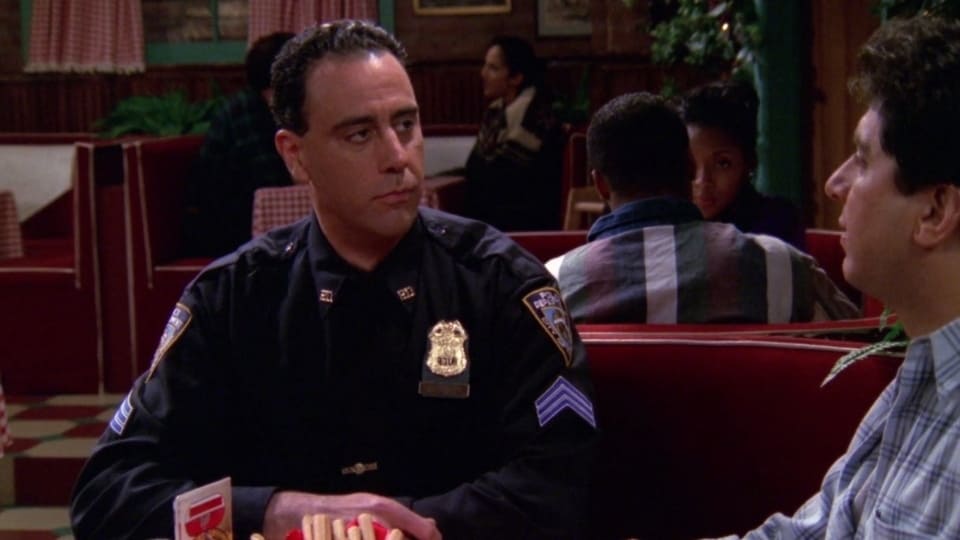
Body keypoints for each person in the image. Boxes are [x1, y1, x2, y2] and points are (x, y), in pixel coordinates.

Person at [70, 20, 597, 540]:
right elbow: (108, 492)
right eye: (360, 134)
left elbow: (563, 481)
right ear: (295, 156)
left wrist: (394, 527)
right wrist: (272, 511)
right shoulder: (232, 298)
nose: (398, 157)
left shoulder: (501, 284)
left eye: (406, 124)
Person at [716, 15, 960, 538]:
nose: (834, 183)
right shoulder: (923, 375)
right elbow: (812, 530)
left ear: (935, 211)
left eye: (862, 159)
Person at [545, 92, 858, 324]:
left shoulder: (552, 288)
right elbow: (857, 350)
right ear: (689, 166)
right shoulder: (782, 267)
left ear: (600, 184)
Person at [183, 31, 296, 257]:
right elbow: (269, 182)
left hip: (247, 219)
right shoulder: (244, 113)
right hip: (223, 227)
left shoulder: (279, 109)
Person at [681, 81, 807, 249]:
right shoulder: (669, 222)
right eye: (689, 162)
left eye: (722, 163)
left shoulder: (776, 222)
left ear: (750, 161)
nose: (702, 180)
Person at [462, 36, 564, 231]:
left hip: (527, 217)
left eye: (493, 68)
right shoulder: (495, 111)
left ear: (516, 78)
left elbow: (506, 174)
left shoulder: (537, 114)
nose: (483, 74)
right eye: (485, 66)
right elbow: (474, 166)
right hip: (494, 212)